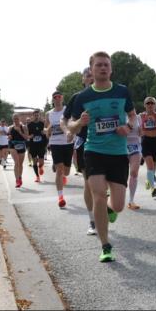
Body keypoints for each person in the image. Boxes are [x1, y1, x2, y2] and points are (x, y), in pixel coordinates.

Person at [66, 51, 139, 263]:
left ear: (111, 68)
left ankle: (109, 210)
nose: (103, 68)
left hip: (118, 153)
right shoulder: (83, 97)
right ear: (92, 69)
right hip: (94, 151)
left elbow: (133, 114)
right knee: (98, 194)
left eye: (106, 65)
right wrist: (79, 122)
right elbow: (70, 124)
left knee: (117, 205)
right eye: (99, 65)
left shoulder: (122, 91)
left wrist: (128, 126)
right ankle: (105, 245)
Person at [63, 66, 97, 234]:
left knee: (107, 182)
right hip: (85, 142)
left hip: (107, 142)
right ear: (83, 79)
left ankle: (107, 206)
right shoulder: (77, 98)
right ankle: (92, 220)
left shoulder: (108, 94)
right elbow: (65, 119)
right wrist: (69, 130)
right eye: (87, 75)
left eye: (93, 74)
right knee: (88, 182)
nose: (91, 77)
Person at [45, 92, 73, 209]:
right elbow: (46, 128)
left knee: (66, 172)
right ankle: (60, 197)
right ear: (53, 100)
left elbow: (72, 123)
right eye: (55, 97)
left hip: (67, 143)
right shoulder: (49, 114)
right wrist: (48, 129)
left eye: (59, 97)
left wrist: (69, 129)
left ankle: (62, 174)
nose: (57, 99)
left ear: (62, 98)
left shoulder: (68, 110)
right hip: (55, 143)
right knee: (60, 169)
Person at [139, 97, 156, 197]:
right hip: (145, 141)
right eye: (148, 103)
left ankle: (148, 180)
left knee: (153, 167)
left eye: (152, 103)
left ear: (155, 105)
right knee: (150, 165)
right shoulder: (141, 116)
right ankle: (152, 188)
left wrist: (155, 120)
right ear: (145, 105)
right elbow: (138, 131)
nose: (150, 105)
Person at [27, 110, 48, 183]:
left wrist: (44, 133)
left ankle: (41, 167)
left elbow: (47, 134)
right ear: (33, 116)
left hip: (41, 145)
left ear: (39, 115)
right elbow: (27, 136)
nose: (36, 116)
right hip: (33, 145)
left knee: (41, 162)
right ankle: (37, 177)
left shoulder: (42, 124)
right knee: (35, 161)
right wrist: (30, 136)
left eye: (37, 115)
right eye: (35, 115)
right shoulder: (29, 125)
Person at [8, 115, 29, 188]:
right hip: (13, 146)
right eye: (14, 119)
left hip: (21, 145)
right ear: (12, 119)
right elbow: (9, 137)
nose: (15, 120)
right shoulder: (10, 128)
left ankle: (20, 177)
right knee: (16, 163)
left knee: (20, 164)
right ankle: (17, 180)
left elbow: (27, 137)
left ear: (19, 119)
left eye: (17, 119)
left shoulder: (23, 127)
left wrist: (20, 131)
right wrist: (9, 137)